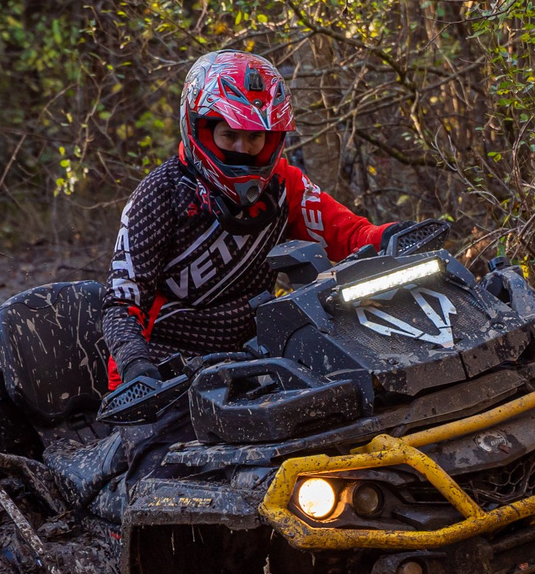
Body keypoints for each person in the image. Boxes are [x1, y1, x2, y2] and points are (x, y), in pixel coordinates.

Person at [98, 50, 436, 417]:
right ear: (201, 130)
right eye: (230, 135)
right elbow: (122, 301)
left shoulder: (283, 185)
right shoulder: (159, 195)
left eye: (255, 137)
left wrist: (388, 237)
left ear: (272, 139)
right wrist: (136, 367)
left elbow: (348, 234)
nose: (242, 149)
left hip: (258, 361)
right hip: (165, 377)